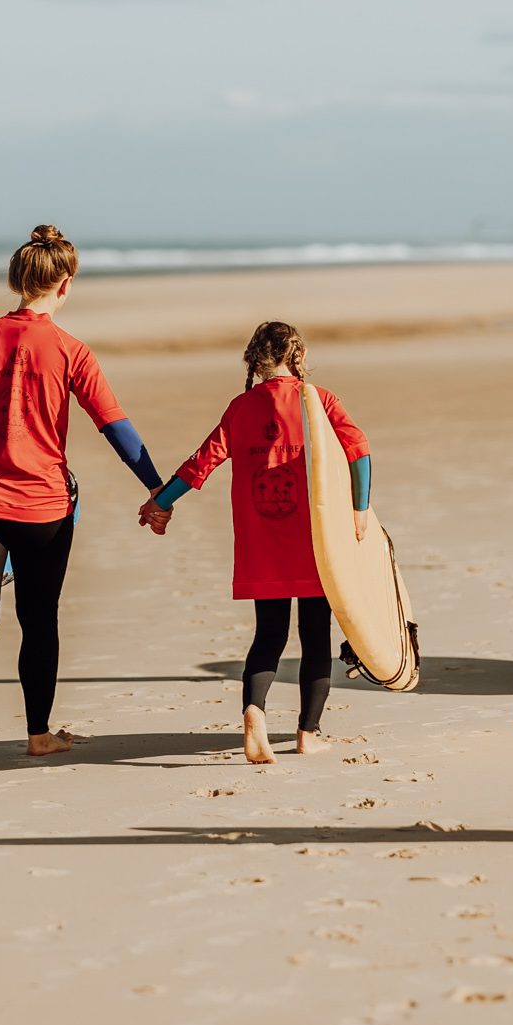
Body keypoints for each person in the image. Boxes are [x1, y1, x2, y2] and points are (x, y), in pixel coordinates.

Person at [0, 223, 166, 771]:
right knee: (39, 620)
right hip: (43, 509)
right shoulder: (69, 349)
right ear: (65, 283)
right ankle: (38, 734)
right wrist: (155, 486)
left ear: (18, 280)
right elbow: (115, 427)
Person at [141, 322, 371, 764]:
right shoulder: (319, 400)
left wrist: (160, 503)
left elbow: (199, 465)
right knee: (315, 635)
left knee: (269, 634)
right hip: (315, 540)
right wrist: (360, 510)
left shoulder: (241, 407)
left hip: (260, 541)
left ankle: (254, 711)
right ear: (298, 355)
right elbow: (358, 450)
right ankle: (308, 732)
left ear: (255, 361)